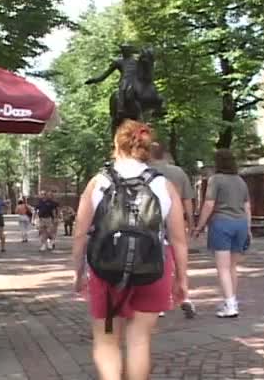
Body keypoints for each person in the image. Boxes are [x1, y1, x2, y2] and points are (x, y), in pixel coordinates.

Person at [72, 120, 188, 380]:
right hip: (153, 267)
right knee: (139, 341)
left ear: (116, 143)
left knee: (107, 341)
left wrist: (78, 272)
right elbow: (179, 239)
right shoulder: (163, 184)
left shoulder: (98, 182)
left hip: (106, 268)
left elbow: (80, 233)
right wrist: (182, 278)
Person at [194, 149, 251, 318]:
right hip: (240, 224)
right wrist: (248, 228)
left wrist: (199, 226)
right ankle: (231, 299)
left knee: (223, 268)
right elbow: (247, 206)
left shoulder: (215, 180)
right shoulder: (241, 181)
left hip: (222, 224)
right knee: (233, 267)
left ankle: (230, 305)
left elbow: (209, 204)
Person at [150, 142, 196, 318]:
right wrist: (191, 222)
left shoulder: (144, 172)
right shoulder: (178, 172)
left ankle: (159, 300)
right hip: (176, 220)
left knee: (156, 260)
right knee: (179, 258)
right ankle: (185, 295)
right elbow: (187, 200)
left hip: (153, 221)